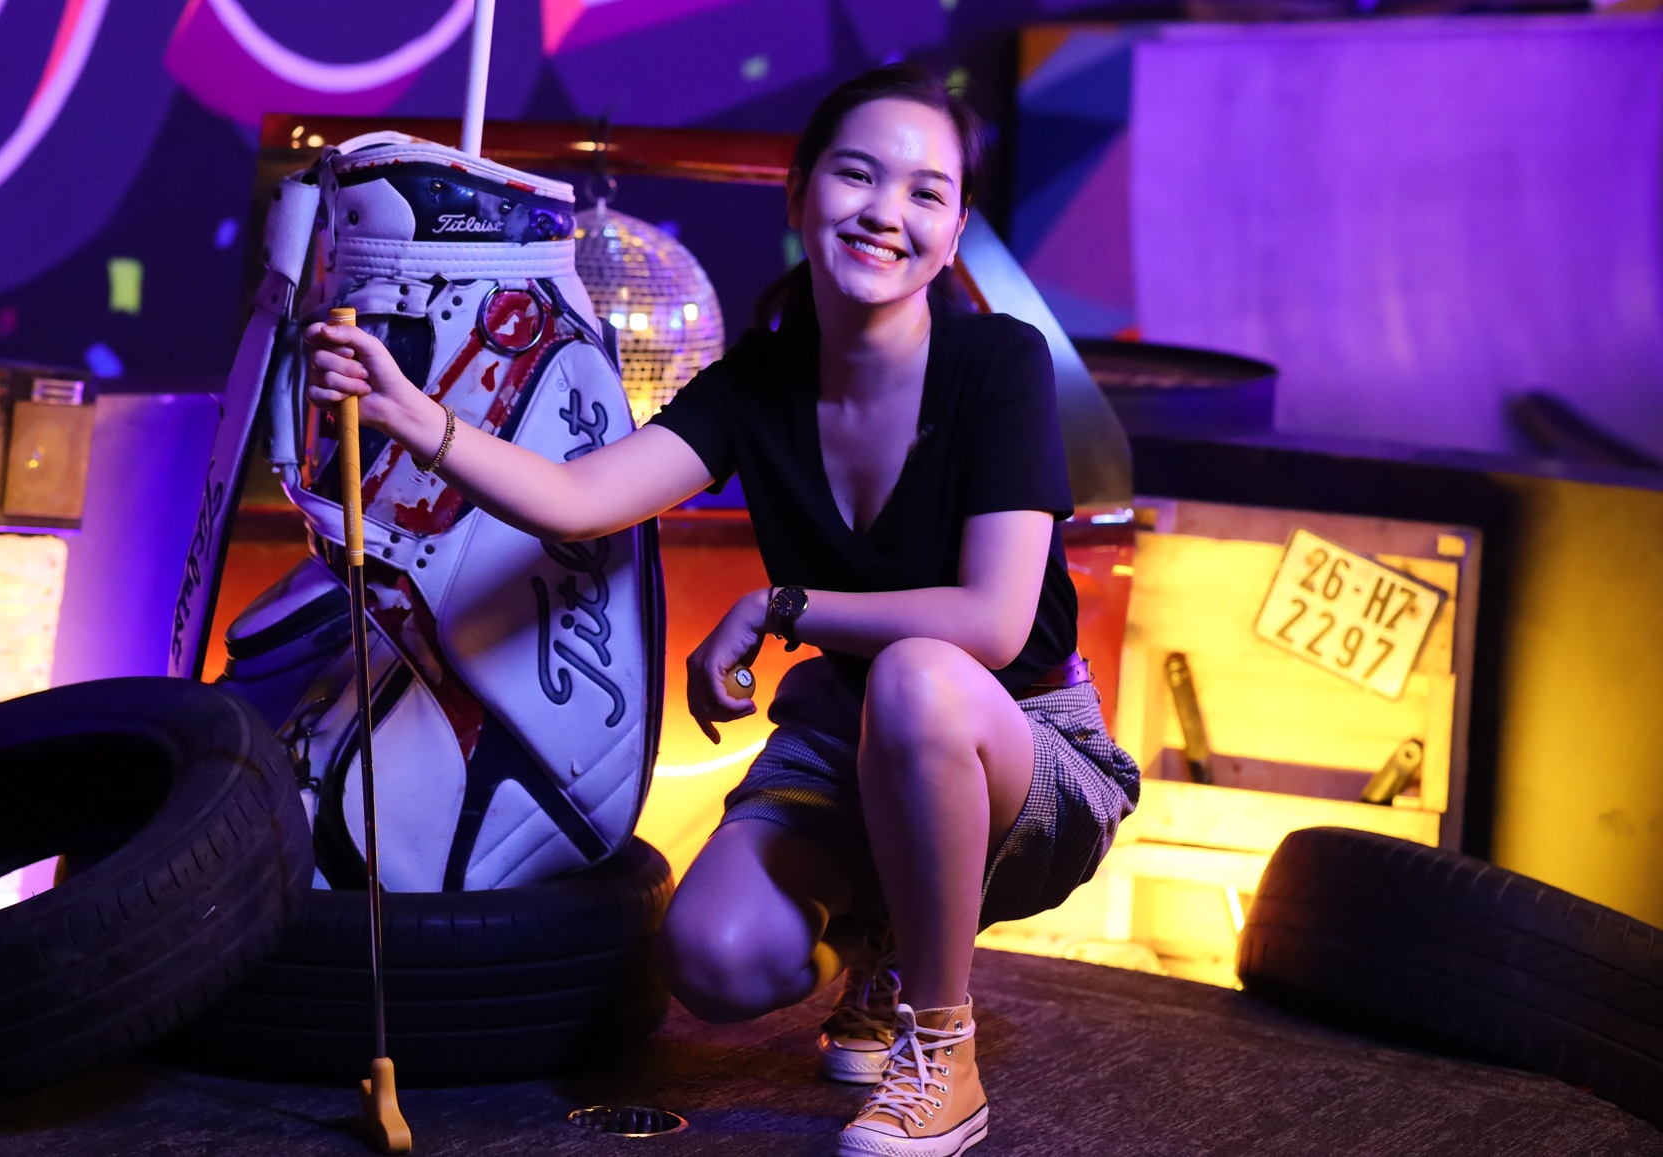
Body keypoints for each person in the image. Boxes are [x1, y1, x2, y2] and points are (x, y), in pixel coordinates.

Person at [304, 63, 1139, 1156]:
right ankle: (885, 944)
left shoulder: (998, 361)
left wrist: (781, 605)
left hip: (1025, 751)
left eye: (925, 193)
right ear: (799, 192)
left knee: (919, 673)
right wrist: (412, 415)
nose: (885, 211)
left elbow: (988, 623)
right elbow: (581, 498)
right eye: (856, 175)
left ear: (952, 232)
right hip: (854, 744)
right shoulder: (759, 381)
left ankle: (943, 1045)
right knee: (711, 957)